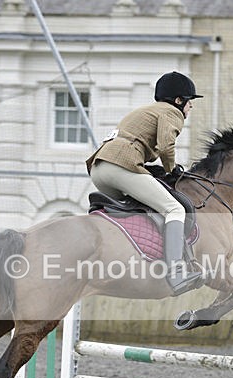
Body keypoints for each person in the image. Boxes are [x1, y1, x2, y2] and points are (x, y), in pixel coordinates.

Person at [86, 71, 203, 295]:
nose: (191, 107)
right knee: (174, 208)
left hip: (99, 168)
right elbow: (166, 145)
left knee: (145, 209)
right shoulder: (171, 112)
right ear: (179, 101)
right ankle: (176, 271)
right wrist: (171, 170)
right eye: (190, 102)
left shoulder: (145, 110)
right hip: (120, 165)